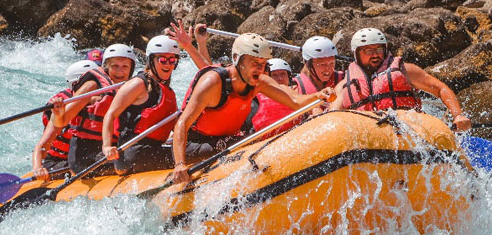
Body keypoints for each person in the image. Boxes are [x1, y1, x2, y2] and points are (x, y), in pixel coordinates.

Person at [171, 33, 335, 183]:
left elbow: (295, 101)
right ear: (237, 59)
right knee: (235, 143)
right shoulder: (213, 82)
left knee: (250, 140)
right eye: (254, 63)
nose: (259, 69)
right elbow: (182, 124)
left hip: (228, 138)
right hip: (195, 143)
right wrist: (180, 164)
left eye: (263, 64)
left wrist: (318, 96)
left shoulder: (259, 82)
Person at [101, 34, 204, 175]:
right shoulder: (138, 84)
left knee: (193, 145)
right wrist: (107, 146)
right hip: (133, 154)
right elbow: (110, 114)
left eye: (172, 60)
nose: (167, 64)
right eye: (162, 59)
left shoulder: (167, 91)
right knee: (202, 151)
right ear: (151, 60)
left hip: (151, 150)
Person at [330, 28, 471, 131]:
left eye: (379, 49)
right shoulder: (344, 86)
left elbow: (441, 89)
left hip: (409, 130)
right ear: (356, 54)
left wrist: (458, 115)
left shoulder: (404, 70)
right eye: (368, 51)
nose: (375, 55)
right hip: (370, 138)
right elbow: (331, 118)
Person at [50, 43, 137, 175]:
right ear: (106, 66)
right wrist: (58, 113)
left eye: (125, 66)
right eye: (115, 66)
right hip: (84, 156)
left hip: (111, 148)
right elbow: (61, 122)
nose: (120, 71)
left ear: (131, 69)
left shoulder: (132, 88)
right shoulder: (92, 85)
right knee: (132, 161)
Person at [31, 60, 100, 180]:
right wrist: (37, 168)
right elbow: (41, 146)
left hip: (83, 157)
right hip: (56, 162)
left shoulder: (102, 102)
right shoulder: (61, 107)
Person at [251, 58, 298, 135]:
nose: (280, 78)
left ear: (289, 77)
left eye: (283, 74)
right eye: (274, 75)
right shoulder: (256, 98)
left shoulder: (298, 93)